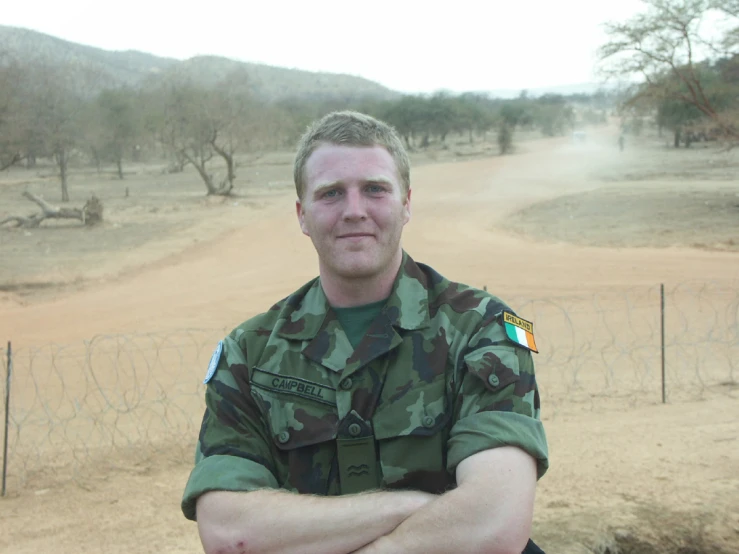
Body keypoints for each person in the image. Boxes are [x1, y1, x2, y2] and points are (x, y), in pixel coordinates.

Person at [181, 111, 549, 554]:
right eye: (331, 193)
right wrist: (414, 508)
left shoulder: (483, 330)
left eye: (374, 189)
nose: (355, 211)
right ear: (302, 214)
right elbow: (228, 533)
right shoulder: (250, 354)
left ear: (406, 203)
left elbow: (494, 524)